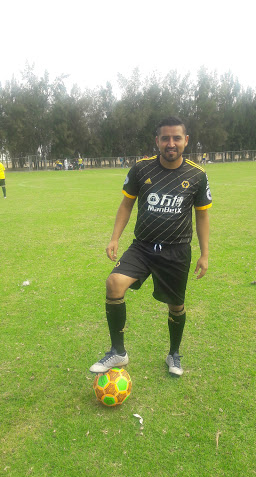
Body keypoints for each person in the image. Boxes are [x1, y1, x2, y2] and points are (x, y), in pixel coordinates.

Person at [89, 116, 212, 377]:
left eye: (176, 138)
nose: (171, 143)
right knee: (114, 284)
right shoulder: (141, 169)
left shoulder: (197, 175)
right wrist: (114, 238)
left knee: (176, 306)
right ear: (157, 141)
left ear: (185, 140)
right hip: (143, 246)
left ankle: (174, 354)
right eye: (165, 138)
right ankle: (118, 352)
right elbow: (126, 204)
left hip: (176, 250)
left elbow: (202, 214)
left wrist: (204, 253)